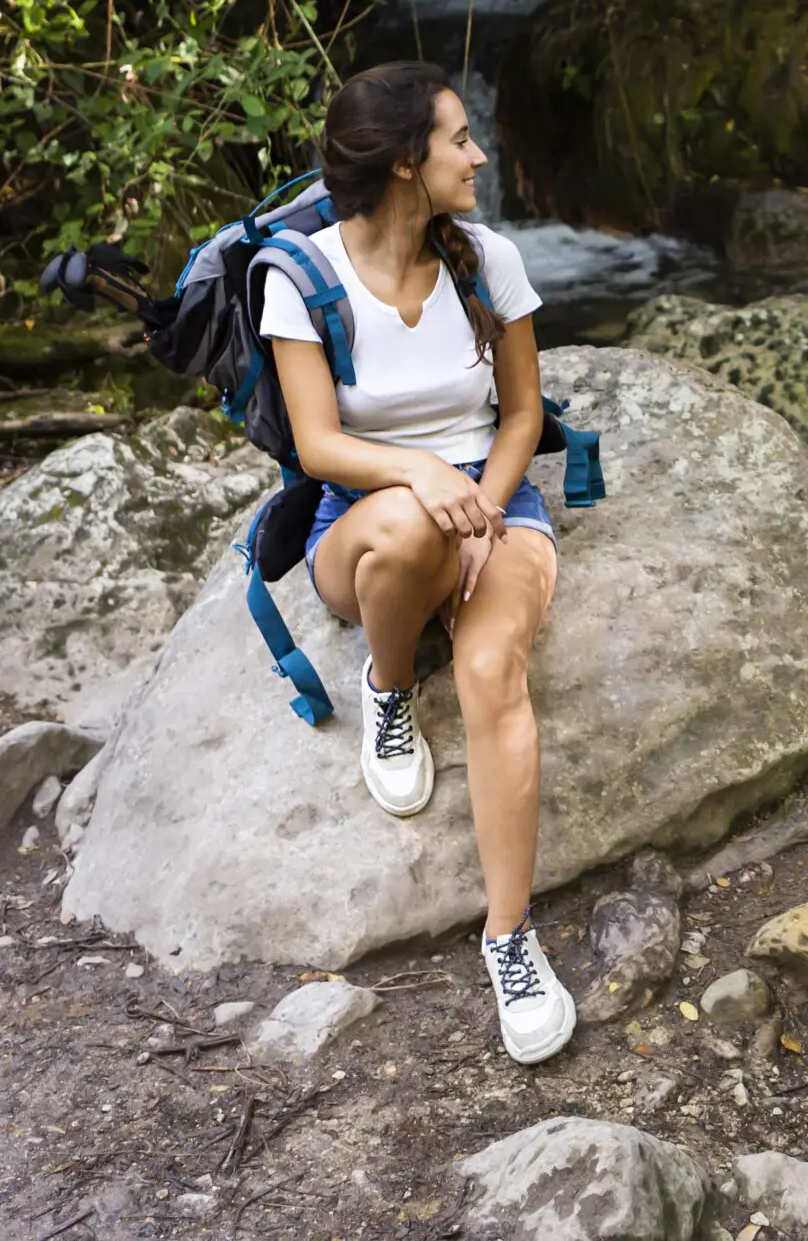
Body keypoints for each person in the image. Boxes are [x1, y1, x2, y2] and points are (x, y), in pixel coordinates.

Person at [254, 60, 574, 1065]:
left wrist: (479, 502)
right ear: (403, 163)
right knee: (405, 527)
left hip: (498, 499)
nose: (478, 155)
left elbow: (522, 413)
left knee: (490, 674)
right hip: (365, 518)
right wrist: (420, 478)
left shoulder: (488, 259)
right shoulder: (298, 277)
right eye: (458, 140)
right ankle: (388, 686)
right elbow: (314, 443)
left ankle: (509, 937)